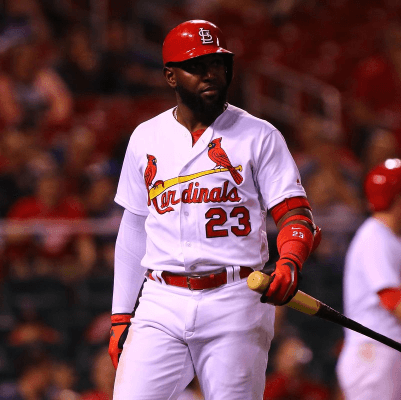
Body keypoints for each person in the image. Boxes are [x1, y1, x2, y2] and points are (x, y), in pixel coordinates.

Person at [108, 19, 321, 400]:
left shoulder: (260, 135)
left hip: (235, 298)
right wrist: (122, 313)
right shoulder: (146, 137)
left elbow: (295, 215)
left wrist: (290, 261)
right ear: (170, 76)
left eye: (217, 63)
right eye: (197, 66)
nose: (210, 73)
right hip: (161, 300)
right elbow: (135, 226)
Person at [336, 159, 401, 400]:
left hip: (393, 351)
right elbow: (395, 303)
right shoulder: (375, 237)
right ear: (399, 199)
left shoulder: (391, 238)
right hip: (374, 354)